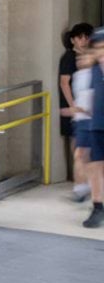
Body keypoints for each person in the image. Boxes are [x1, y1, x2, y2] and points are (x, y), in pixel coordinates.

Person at [58, 23, 93, 191]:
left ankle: (83, 181)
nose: (84, 40)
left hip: (84, 109)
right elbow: (64, 83)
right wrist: (73, 107)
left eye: (86, 37)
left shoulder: (88, 56)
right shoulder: (69, 57)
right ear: (73, 40)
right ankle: (79, 182)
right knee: (77, 146)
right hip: (74, 107)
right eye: (80, 37)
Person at [84, 30, 104, 229]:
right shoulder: (95, 69)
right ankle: (98, 206)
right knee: (96, 166)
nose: (100, 51)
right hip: (97, 124)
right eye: (97, 48)